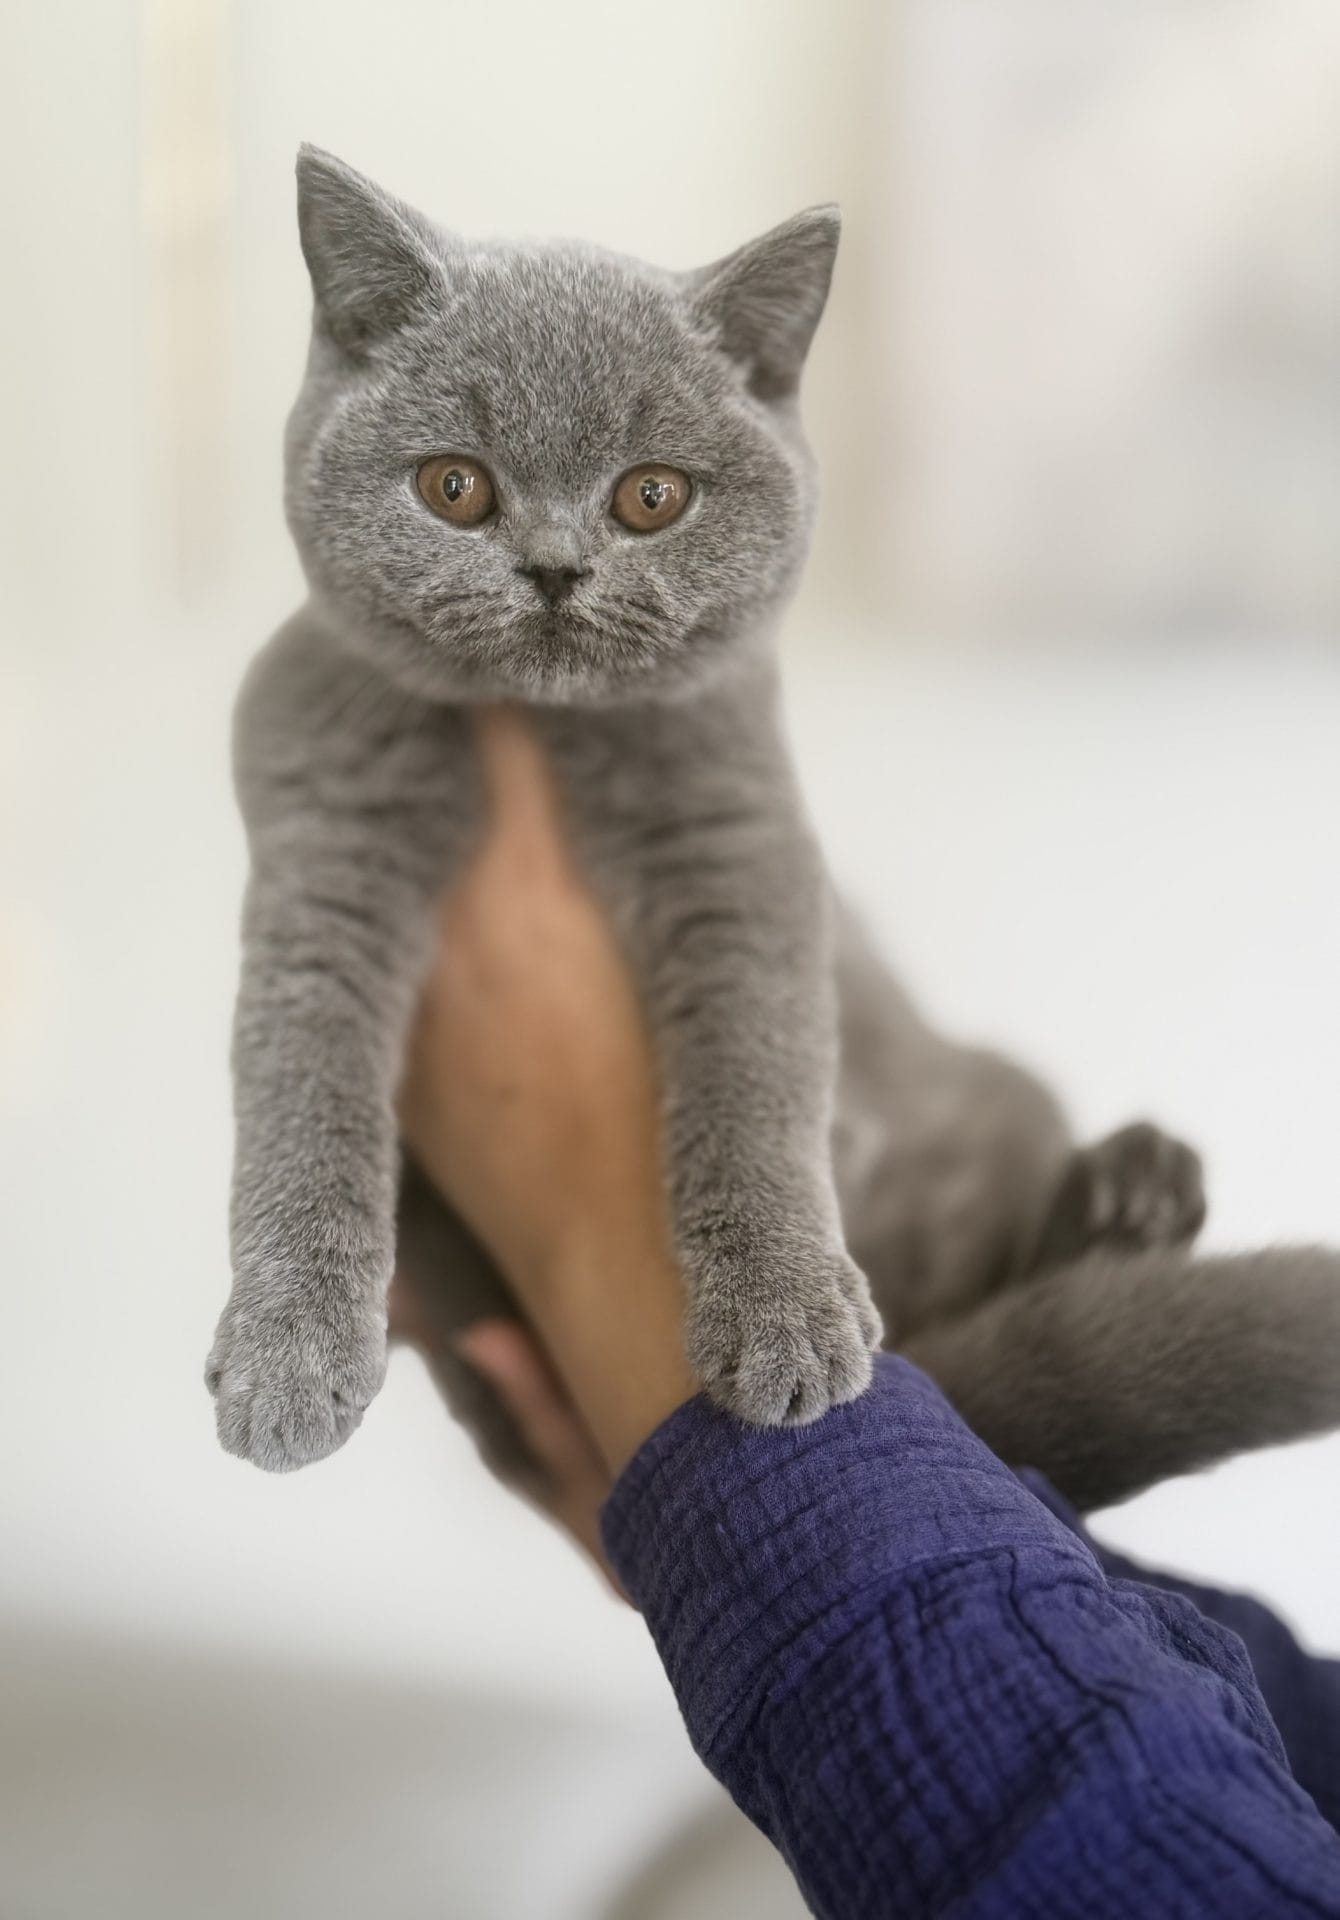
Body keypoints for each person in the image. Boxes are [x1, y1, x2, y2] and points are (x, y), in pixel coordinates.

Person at [395, 709, 1340, 1917]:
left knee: (983, 1132)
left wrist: (713, 1481)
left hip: (757, 1320)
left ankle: (955, 1404)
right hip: (818, 1345)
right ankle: (968, 1406)